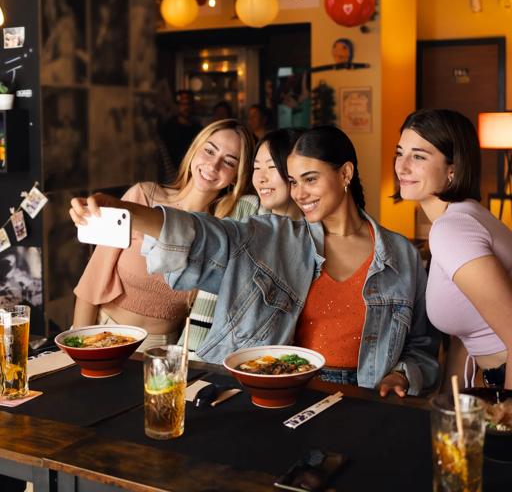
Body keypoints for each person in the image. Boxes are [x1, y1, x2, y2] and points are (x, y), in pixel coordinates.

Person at [70, 126, 439, 397]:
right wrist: (126, 210)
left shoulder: (400, 255)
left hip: (365, 397)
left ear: (344, 173)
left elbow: (421, 344)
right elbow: (205, 237)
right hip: (286, 392)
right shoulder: (277, 237)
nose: (299, 193)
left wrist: (403, 374)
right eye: (293, 181)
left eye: (310, 179)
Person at [72, 119, 255, 352]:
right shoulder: (143, 197)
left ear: (237, 176)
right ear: (195, 150)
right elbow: (91, 282)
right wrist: (78, 347)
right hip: (102, 331)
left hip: (161, 349)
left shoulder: (219, 231)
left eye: (229, 161)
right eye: (209, 151)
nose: (213, 165)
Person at [395, 108, 512, 389]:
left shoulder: (452, 230)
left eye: (419, 156)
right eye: (400, 152)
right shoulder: (466, 215)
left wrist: (507, 417)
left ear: (453, 169)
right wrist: (446, 402)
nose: (402, 166)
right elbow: (464, 337)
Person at [181, 128, 304, 358]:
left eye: (271, 166)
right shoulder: (246, 207)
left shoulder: (309, 236)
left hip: (254, 359)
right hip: (197, 347)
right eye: (256, 167)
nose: (262, 177)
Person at [158, 90, 203, 169]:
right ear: (177, 106)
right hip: (173, 173)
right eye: (182, 104)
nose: (186, 107)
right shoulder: (168, 128)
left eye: (188, 104)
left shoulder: (197, 128)